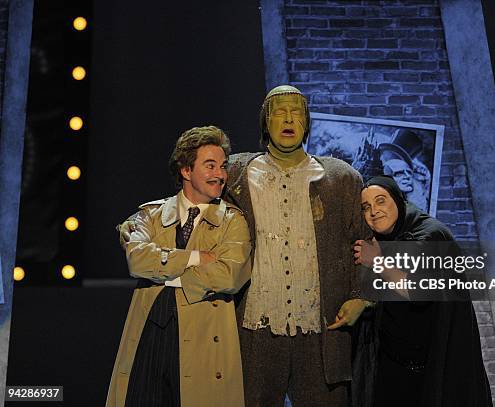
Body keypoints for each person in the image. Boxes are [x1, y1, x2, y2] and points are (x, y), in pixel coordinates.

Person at [225, 84, 372, 406]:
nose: (288, 119)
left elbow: (366, 243)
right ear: (266, 122)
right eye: (279, 112)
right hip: (255, 328)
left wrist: (362, 297)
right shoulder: (236, 173)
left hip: (322, 329)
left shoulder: (340, 177)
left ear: (306, 123)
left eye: (296, 112)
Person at [107, 126, 252, 407]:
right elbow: (137, 259)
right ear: (186, 170)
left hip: (203, 339)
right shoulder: (151, 214)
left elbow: (229, 275)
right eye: (210, 166)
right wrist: (194, 258)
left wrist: (164, 274)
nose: (220, 175)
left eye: (222, 167)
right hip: (150, 333)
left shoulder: (234, 221)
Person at [353, 176, 492, 407]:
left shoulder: (430, 235)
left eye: (380, 201)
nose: (374, 211)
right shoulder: (381, 240)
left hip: (433, 366)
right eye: (366, 207)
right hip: (394, 364)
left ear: (397, 200)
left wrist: (378, 262)